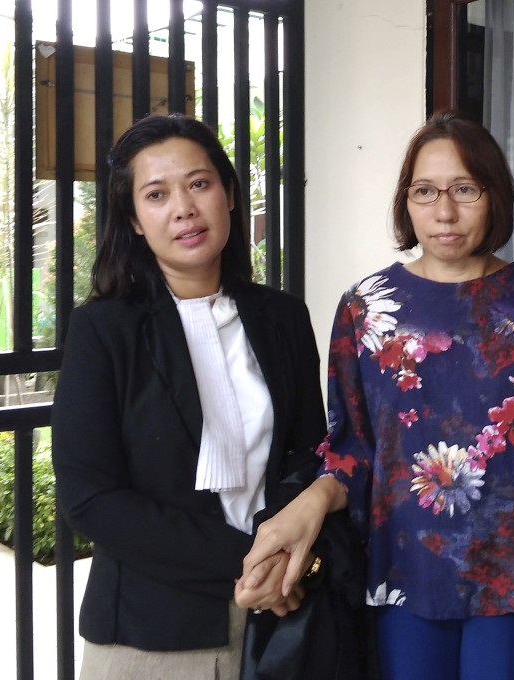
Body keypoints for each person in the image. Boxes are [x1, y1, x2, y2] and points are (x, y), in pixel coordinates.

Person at [236, 110, 514, 680]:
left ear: (496, 197)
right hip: (400, 578)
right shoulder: (367, 307)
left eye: (465, 189)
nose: (444, 211)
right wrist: (306, 505)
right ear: (405, 202)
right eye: (425, 191)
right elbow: (353, 446)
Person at [51, 113, 328, 679]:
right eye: (157, 194)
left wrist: (283, 560)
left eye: (199, 184)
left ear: (227, 193)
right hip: (151, 633)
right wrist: (250, 560)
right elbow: (91, 497)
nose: (184, 208)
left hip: (277, 621)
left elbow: (310, 453)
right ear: (133, 218)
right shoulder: (104, 330)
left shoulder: (282, 317)